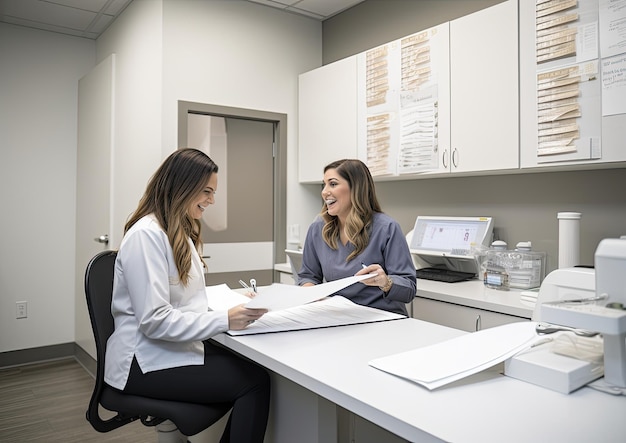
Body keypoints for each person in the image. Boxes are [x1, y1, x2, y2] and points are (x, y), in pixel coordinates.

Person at [104, 148, 270, 442]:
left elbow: (183, 298)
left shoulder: (176, 232)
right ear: (182, 187)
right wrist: (225, 319)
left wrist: (231, 302)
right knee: (253, 382)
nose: (212, 200)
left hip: (165, 350)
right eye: (206, 191)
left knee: (251, 370)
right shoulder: (146, 236)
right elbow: (154, 320)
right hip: (140, 362)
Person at [298, 159, 417, 316]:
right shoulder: (318, 228)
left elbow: (408, 289)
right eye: (324, 184)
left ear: (356, 188)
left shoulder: (386, 228)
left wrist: (386, 282)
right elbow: (308, 276)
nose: (324, 191)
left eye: (333, 184)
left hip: (382, 318)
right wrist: (310, 292)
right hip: (338, 318)